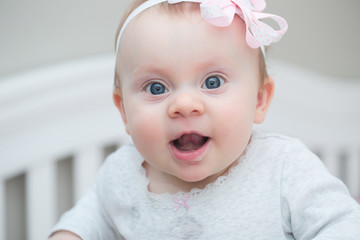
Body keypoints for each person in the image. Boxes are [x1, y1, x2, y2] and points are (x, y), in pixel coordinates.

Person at [49, 0, 360, 239]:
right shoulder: (121, 175)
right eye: (157, 88)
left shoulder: (285, 167)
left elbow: (342, 224)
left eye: (212, 82)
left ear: (259, 99)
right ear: (123, 112)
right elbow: (89, 219)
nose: (184, 105)